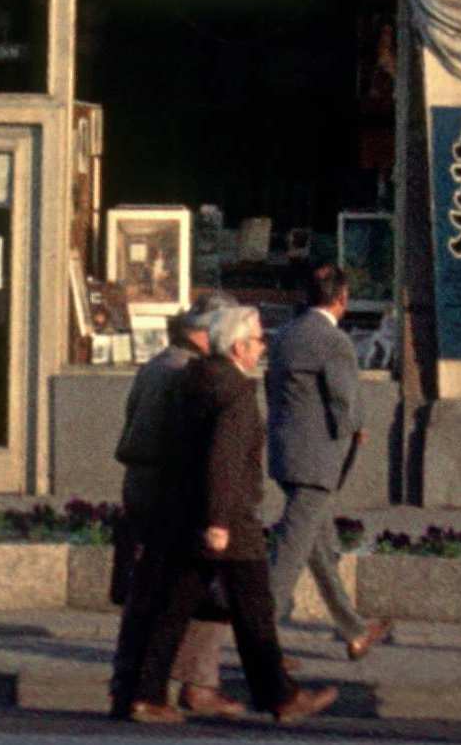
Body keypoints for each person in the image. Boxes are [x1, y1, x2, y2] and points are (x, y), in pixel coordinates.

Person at [117, 301, 337, 726]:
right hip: (230, 522)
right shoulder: (235, 392)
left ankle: (145, 695)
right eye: (257, 341)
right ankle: (280, 696)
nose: (262, 349)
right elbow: (224, 459)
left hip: (191, 515)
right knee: (254, 612)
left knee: (173, 608)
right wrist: (218, 521)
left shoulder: (195, 381)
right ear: (237, 347)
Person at [261, 263, 390, 664]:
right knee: (290, 553)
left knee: (318, 545)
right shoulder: (334, 342)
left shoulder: (285, 335)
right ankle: (260, 641)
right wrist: (356, 431)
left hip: (286, 454)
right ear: (342, 298)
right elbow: (344, 399)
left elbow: (271, 388)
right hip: (318, 460)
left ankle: (354, 630)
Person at [108, 308, 224, 721]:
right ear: (202, 335)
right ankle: (168, 687)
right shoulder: (188, 374)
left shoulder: (156, 365)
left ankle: (134, 686)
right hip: (167, 490)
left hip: (141, 484)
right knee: (175, 592)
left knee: (148, 594)